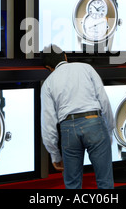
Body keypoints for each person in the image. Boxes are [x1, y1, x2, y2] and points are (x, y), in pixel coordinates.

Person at [40, 44, 114, 189]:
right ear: (65, 56)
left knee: (72, 185)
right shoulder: (86, 68)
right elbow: (104, 101)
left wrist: (54, 155)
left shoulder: (48, 83)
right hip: (94, 122)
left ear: (48, 67)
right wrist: (109, 130)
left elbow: (48, 124)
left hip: (68, 129)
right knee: (105, 182)